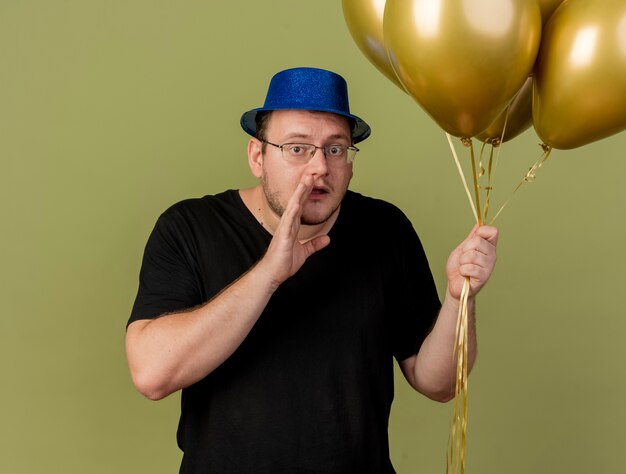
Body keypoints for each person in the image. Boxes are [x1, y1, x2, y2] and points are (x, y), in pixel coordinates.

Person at [125, 67, 498, 473]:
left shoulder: (386, 229)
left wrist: (460, 299)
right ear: (257, 156)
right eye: (297, 148)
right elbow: (152, 374)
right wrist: (268, 274)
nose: (319, 167)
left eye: (335, 149)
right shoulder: (190, 227)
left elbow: (439, 384)